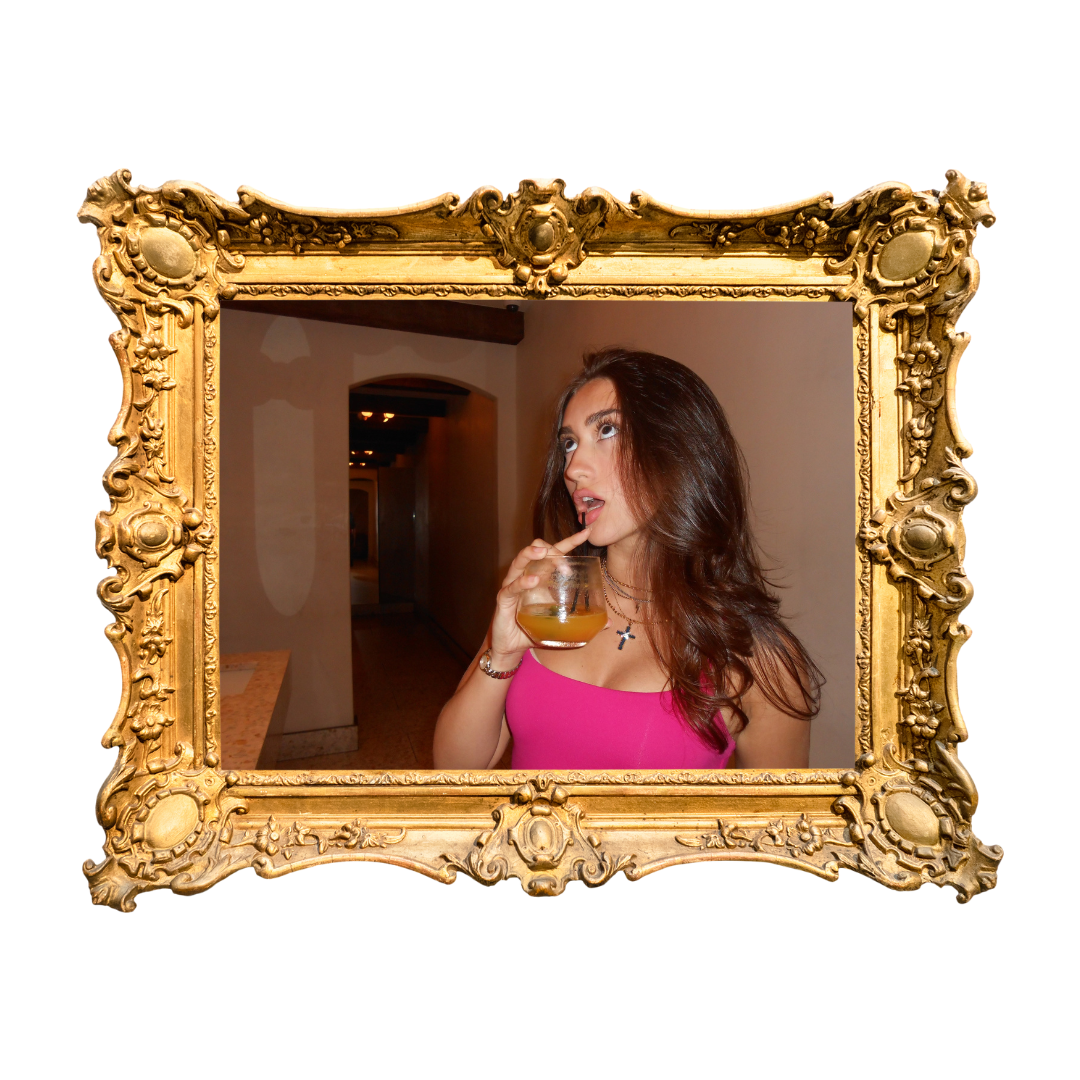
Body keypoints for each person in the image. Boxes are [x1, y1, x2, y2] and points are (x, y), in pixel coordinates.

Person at [432, 347, 822, 771]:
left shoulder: (758, 658)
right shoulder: (548, 597)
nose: (573, 468)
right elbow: (453, 770)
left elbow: (773, 814)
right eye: (569, 443)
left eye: (606, 430)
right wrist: (503, 654)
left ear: (679, 447)